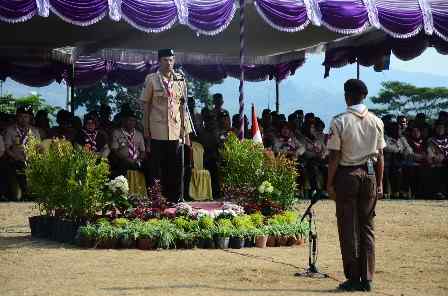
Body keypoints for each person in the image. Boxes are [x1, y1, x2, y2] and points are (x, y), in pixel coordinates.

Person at [326, 79, 385, 292]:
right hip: (370, 174)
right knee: (367, 227)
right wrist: (379, 184)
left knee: (348, 227)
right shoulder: (377, 121)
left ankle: (353, 277)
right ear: (365, 96)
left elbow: (335, 156)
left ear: (347, 96)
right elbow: (381, 157)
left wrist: (329, 183)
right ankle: (368, 277)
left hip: (347, 175)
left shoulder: (339, 121)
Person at [139, 48, 192, 204]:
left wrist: (186, 131)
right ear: (159, 61)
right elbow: (146, 105)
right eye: (165, 60)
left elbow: (183, 107)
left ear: (174, 61)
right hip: (157, 130)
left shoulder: (180, 80)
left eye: (171, 60)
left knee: (175, 167)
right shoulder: (151, 79)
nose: (168, 63)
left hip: (175, 131)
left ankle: (175, 199)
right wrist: (146, 129)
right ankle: (156, 198)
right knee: (156, 168)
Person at [4, 105, 41, 200]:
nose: (23, 119)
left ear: (30, 118)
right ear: (17, 117)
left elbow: (38, 148)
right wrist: (16, 158)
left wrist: (33, 158)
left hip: (31, 163)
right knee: (16, 196)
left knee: (32, 193)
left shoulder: (34, 131)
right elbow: (7, 149)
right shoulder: (10, 130)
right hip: (14, 164)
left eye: (26, 117)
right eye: (21, 116)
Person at [110, 108, 146, 178]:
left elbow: (143, 151)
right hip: (123, 161)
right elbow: (114, 150)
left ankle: (152, 188)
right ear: (124, 121)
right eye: (129, 120)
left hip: (137, 161)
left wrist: (139, 159)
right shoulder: (117, 132)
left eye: (133, 121)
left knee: (149, 166)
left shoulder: (139, 134)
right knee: (123, 165)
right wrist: (126, 159)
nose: (131, 122)